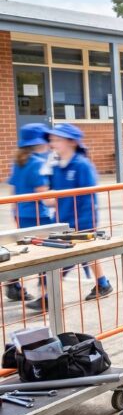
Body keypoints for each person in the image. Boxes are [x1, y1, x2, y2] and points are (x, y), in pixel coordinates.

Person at [29, 124, 113, 311]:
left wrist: (80, 223)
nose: (53, 143)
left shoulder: (82, 165)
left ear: (71, 142)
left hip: (82, 220)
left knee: (62, 260)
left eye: (58, 140)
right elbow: (50, 193)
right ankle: (103, 283)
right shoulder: (56, 165)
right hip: (62, 219)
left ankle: (48, 298)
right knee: (88, 254)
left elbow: (89, 195)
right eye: (51, 140)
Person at [5, 123, 54, 302]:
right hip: (39, 215)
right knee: (45, 253)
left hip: (21, 213)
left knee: (27, 249)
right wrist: (65, 201)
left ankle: (12, 283)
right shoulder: (38, 163)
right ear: (40, 144)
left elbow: (13, 190)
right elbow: (45, 197)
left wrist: (15, 211)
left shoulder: (18, 162)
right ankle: (47, 294)